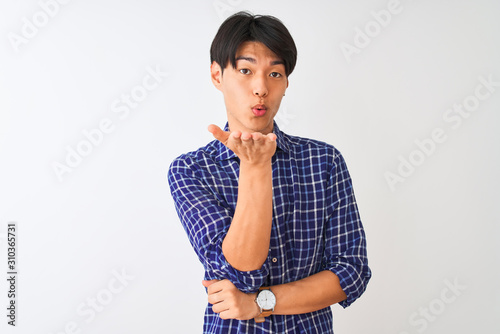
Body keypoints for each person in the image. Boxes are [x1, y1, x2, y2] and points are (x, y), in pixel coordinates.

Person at [168, 11, 371, 333]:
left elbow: (352, 272)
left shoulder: (323, 160)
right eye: (246, 71)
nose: (261, 88)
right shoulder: (192, 170)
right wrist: (255, 166)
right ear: (217, 75)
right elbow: (241, 272)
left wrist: (259, 302)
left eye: (275, 74)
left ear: (286, 82)